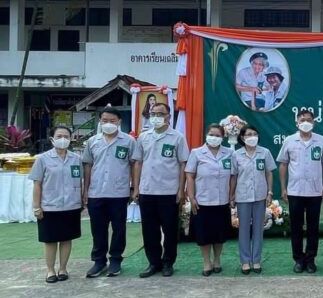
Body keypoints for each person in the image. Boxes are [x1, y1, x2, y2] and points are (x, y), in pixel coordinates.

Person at [132, 103, 189, 278]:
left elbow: (183, 164)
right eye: (153, 113)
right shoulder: (143, 137)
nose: (156, 117)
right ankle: (153, 262)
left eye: (160, 114)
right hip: (147, 190)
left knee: (170, 230)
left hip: (169, 191)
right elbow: (138, 162)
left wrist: (181, 189)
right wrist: (136, 187)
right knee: (149, 230)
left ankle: (168, 262)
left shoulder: (177, 137)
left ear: (168, 116)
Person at [82, 107, 140, 278]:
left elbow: (134, 165)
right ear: (100, 121)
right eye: (105, 120)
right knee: (98, 229)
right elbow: (88, 166)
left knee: (119, 229)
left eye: (112, 121)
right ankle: (99, 261)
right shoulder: (92, 141)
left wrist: (134, 188)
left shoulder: (128, 141)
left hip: (119, 193)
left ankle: (115, 260)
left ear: (119, 122)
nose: (108, 124)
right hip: (96, 192)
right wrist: (85, 190)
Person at [277, 109, 323, 273]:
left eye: (309, 120)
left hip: (315, 191)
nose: (305, 122)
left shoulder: (321, 141)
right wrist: (283, 188)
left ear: (314, 122)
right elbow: (283, 164)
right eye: (302, 120)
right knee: (296, 227)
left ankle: (310, 259)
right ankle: (298, 260)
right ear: (297, 123)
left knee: (313, 227)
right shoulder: (289, 140)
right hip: (295, 191)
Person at [28, 126, 83, 283]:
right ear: (52, 139)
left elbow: (80, 181)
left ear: (71, 139)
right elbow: (37, 184)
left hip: (71, 206)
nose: (63, 139)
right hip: (49, 206)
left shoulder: (76, 159)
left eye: (66, 136)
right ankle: (50, 270)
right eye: (59, 136)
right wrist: (36, 207)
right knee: (50, 240)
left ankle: (63, 268)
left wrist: (81, 201)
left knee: (67, 239)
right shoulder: (42, 159)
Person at [185, 124, 234, 276]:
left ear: (223, 137)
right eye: (212, 134)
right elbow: (190, 176)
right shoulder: (196, 153)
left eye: (218, 135)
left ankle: (217, 260)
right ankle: (207, 262)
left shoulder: (229, 153)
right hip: (202, 201)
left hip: (222, 201)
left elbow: (233, 176)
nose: (214, 138)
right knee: (204, 235)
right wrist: (192, 197)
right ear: (206, 135)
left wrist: (231, 195)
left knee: (219, 234)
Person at [230, 125, 277, 274]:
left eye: (255, 134)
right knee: (243, 229)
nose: (252, 137)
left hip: (260, 196)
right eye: (249, 134)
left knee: (258, 229)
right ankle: (245, 261)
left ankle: (256, 260)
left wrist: (270, 192)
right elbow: (234, 176)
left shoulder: (265, 152)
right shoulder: (236, 155)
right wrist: (231, 195)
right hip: (242, 196)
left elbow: (269, 173)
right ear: (242, 137)